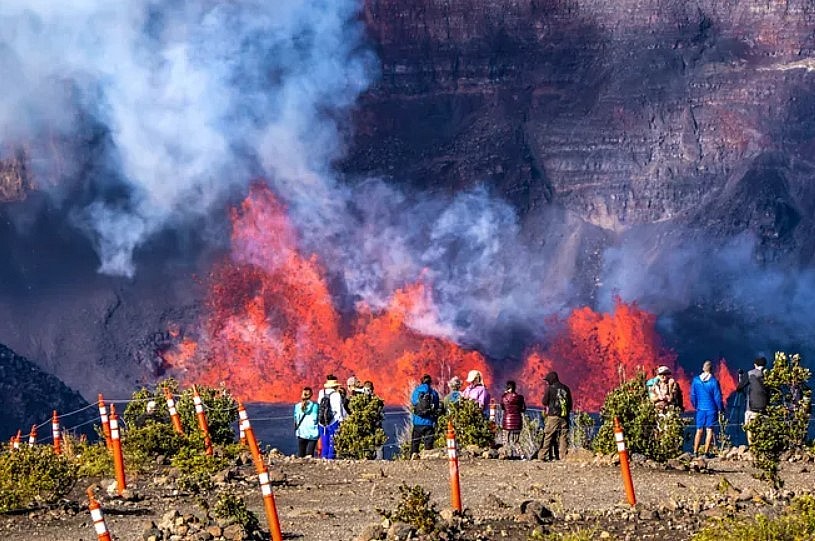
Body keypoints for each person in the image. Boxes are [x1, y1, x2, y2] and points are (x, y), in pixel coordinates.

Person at [690, 359, 725, 457]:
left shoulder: (696, 381)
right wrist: (720, 408)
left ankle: (695, 452)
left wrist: (695, 405)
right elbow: (717, 397)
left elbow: (693, 395)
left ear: (703, 368)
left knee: (699, 430)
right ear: (712, 369)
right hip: (711, 409)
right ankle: (706, 453)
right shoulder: (714, 382)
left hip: (700, 409)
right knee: (709, 430)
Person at [539, 371, 572, 461]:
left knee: (548, 435)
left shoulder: (550, 388)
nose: (547, 382)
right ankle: (563, 456)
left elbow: (544, 402)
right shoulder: (566, 388)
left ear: (551, 379)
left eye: (547, 380)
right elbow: (570, 404)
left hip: (553, 416)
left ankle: (542, 456)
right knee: (563, 437)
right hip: (564, 417)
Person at [736, 356, 768, 445]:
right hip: (765, 408)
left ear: (755, 365)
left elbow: (739, 387)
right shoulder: (769, 375)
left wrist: (740, 380)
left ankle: (752, 446)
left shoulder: (750, 374)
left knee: (749, 428)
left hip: (752, 408)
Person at [317, 375, 349, 459]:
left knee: (324, 442)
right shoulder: (336, 395)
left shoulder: (321, 392)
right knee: (333, 443)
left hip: (322, 422)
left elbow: (319, 405)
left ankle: (324, 458)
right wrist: (342, 422)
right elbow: (339, 410)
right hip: (333, 421)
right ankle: (330, 459)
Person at [410, 374, 440, 459]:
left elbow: (413, 402)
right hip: (429, 422)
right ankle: (427, 459)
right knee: (428, 444)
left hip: (418, 421)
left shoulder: (417, 391)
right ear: (430, 382)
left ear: (421, 381)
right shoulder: (433, 393)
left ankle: (412, 458)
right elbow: (437, 406)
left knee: (415, 443)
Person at [500, 380, 526, 457]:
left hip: (507, 421)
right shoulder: (520, 398)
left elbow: (502, 407)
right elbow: (523, 409)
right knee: (516, 441)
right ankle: (522, 455)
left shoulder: (504, 397)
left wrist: (505, 394)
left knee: (505, 440)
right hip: (517, 421)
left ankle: (504, 455)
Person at [293, 386, 319, 458]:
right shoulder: (315, 406)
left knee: (301, 454)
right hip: (312, 433)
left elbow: (296, 419)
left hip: (301, 432)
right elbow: (315, 418)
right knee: (310, 454)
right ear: (311, 395)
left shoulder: (297, 406)